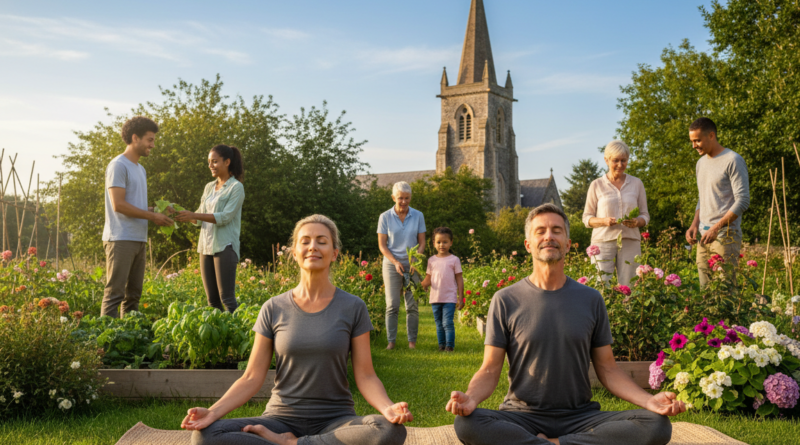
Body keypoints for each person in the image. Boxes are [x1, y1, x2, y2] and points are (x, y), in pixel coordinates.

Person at [447, 203, 684, 445]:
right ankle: (569, 443)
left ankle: (550, 443)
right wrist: (471, 398)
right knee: (467, 423)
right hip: (521, 417)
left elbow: (608, 369)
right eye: (540, 231)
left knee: (656, 425)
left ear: (568, 244)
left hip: (581, 416)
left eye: (556, 230)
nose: (549, 236)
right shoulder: (505, 300)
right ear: (528, 244)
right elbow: (489, 369)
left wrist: (648, 400)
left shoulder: (591, 299)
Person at [182, 215, 412, 445]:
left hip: (337, 420)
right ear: (294, 252)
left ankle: (292, 443)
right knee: (206, 435)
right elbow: (251, 377)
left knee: (388, 430)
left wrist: (388, 408)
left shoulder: (353, 307)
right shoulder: (273, 307)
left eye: (322, 241)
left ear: (334, 253)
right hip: (280, 419)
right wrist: (212, 412)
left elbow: (366, 375)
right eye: (305, 241)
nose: (313, 246)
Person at [101, 116, 174, 318]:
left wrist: (157, 211)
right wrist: (153, 218)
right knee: (114, 294)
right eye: (150, 140)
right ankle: (107, 347)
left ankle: (128, 341)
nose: (153, 144)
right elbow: (119, 204)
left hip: (138, 238)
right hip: (120, 238)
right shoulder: (118, 165)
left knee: (133, 296)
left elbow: (134, 205)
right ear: (135, 138)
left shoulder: (140, 169)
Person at [175, 144, 245, 312]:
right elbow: (199, 217)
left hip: (224, 247)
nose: (210, 166)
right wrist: (180, 214)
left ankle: (238, 334)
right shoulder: (209, 187)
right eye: (209, 162)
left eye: (215, 161)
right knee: (212, 301)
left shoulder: (236, 188)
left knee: (227, 299)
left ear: (227, 162)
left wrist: (194, 215)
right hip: (205, 248)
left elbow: (225, 217)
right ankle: (220, 337)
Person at [685, 118, 750, 287]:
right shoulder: (700, 163)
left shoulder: (733, 160)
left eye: (697, 140)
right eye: (692, 141)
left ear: (711, 135)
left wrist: (716, 227)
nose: (694, 146)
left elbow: (743, 200)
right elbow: (703, 197)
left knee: (725, 292)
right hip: (703, 236)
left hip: (726, 236)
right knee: (705, 292)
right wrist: (694, 224)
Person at [582, 140, 650, 287]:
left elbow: (645, 215)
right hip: (602, 242)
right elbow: (586, 218)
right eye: (615, 160)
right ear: (606, 160)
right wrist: (603, 221)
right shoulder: (596, 185)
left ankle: (628, 310)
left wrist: (638, 222)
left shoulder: (637, 183)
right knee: (599, 285)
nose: (620, 164)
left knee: (630, 285)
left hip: (630, 241)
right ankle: (599, 311)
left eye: (623, 160)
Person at [377, 181, 426, 350]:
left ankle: (412, 342)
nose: (404, 202)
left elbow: (421, 242)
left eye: (407, 198)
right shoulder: (385, 217)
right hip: (392, 264)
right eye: (400, 198)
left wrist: (415, 259)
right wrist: (396, 262)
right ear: (393, 198)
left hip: (412, 264)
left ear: (410, 198)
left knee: (412, 305)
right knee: (392, 305)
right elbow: (382, 245)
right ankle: (391, 342)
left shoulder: (418, 215)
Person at [421, 227, 464, 352]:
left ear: (451, 242)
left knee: (447, 323)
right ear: (434, 243)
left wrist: (460, 297)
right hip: (435, 298)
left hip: (449, 298)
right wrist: (420, 285)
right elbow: (428, 279)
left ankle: (449, 346)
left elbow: (459, 279)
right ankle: (441, 345)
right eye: (438, 242)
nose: (442, 245)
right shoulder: (431, 260)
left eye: (445, 242)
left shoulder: (454, 260)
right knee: (439, 324)